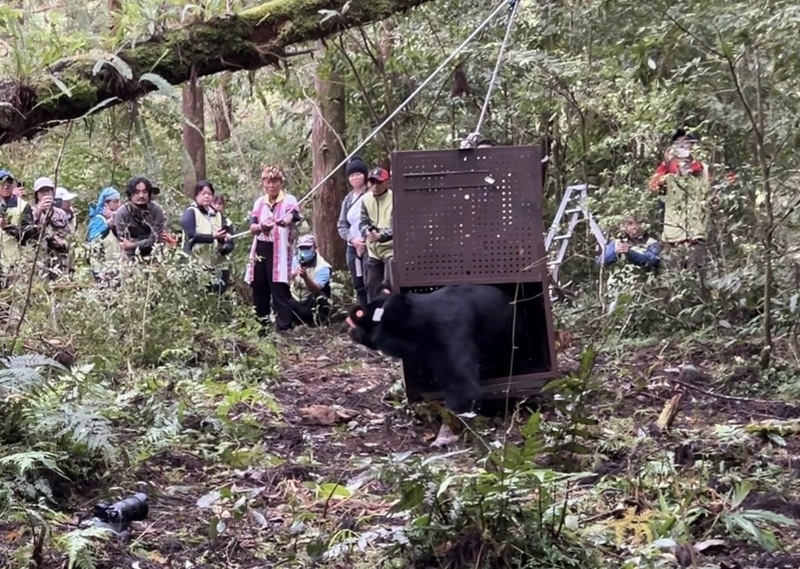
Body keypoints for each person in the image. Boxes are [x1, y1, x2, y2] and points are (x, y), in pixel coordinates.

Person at [244, 164, 302, 334]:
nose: (271, 185)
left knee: (279, 286)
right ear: (263, 183)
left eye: (275, 181)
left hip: (279, 249)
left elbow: (292, 215)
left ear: (280, 182)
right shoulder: (259, 203)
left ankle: (284, 327)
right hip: (261, 247)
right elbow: (252, 227)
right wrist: (262, 226)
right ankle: (260, 326)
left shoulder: (288, 199)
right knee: (259, 286)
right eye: (268, 182)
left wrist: (284, 222)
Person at [649, 127, 711, 269]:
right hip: (672, 239)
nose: (682, 145)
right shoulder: (666, 169)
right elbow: (653, 185)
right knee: (673, 282)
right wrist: (670, 166)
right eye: (678, 143)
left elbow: (721, 190)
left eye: (686, 142)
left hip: (697, 237)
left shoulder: (705, 169)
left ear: (693, 146)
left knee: (696, 280)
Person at [180, 180, 235, 294]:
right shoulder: (191, 212)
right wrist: (212, 237)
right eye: (203, 193)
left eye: (209, 194)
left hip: (215, 264)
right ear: (196, 195)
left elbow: (221, 237)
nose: (206, 196)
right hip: (196, 264)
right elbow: (191, 236)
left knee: (217, 295)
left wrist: (224, 240)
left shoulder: (217, 215)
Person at [337, 156, 370, 307]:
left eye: (358, 174)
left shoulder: (371, 194)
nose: (355, 177)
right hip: (353, 247)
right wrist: (352, 240)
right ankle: (363, 316)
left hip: (370, 246)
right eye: (351, 175)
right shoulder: (348, 199)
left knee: (371, 283)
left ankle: (375, 316)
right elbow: (342, 225)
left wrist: (365, 240)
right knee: (359, 284)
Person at [359, 167, 393, 302]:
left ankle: (390, 317)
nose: (375, 186)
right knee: (372, 287)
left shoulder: (394, 198)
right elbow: (362, 222)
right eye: (372, 182)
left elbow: (397, 225)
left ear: (386, 182)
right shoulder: (365, 199)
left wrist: (382, 235)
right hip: (373, 251)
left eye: (379, 182)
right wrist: (367, 232)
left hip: (391, 251)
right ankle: (375, 318)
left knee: (388, 286)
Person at [113, 176, 167, 260]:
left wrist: (133, 244)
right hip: (131, 257)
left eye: (144, 192)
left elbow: (155, 239)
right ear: (130, 194)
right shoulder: (122, 213)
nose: (141, 195)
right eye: (137, 192)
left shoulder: (156, 210)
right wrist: (133, 245)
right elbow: (125, 243)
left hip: (154, 254)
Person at [287, 234, 332, 327]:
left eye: (307, 247)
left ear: (315, 248)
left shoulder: (323, 267)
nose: (304, 251)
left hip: (311, 302)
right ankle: (289, 322)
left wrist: (306, 278)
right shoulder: (294, 261)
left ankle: (318, 322)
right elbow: (283, 281)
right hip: (294, 299)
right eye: (302, 248)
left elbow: (317, 289)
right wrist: (292, 274)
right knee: (279, 294)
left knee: (322, 297)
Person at [32, 177, 72, 279]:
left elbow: (69, 237)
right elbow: (28, 232)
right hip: (40, 260)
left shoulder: (60, 213)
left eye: (48, 191)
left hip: (59, 259)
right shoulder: (30, 212)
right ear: (37, 194)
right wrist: (39, 210)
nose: (45, 194)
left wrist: (61, 243)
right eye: (42, 191)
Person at [0, 169, 37, 275]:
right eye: (2, 183)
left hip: (14, 262)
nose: (6, 186)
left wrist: (8, 227)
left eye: (9, 183)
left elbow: (30, 233)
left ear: (14, 185)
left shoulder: (23, 206)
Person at [86, 187, 123, 279]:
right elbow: (93, 240)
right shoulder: (98, 220)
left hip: (114, 265)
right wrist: (108, 225)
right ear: (106, 203)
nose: (119, 204)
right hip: (101, 268)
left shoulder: (115, 219)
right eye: (115, 201)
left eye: (119, 201)